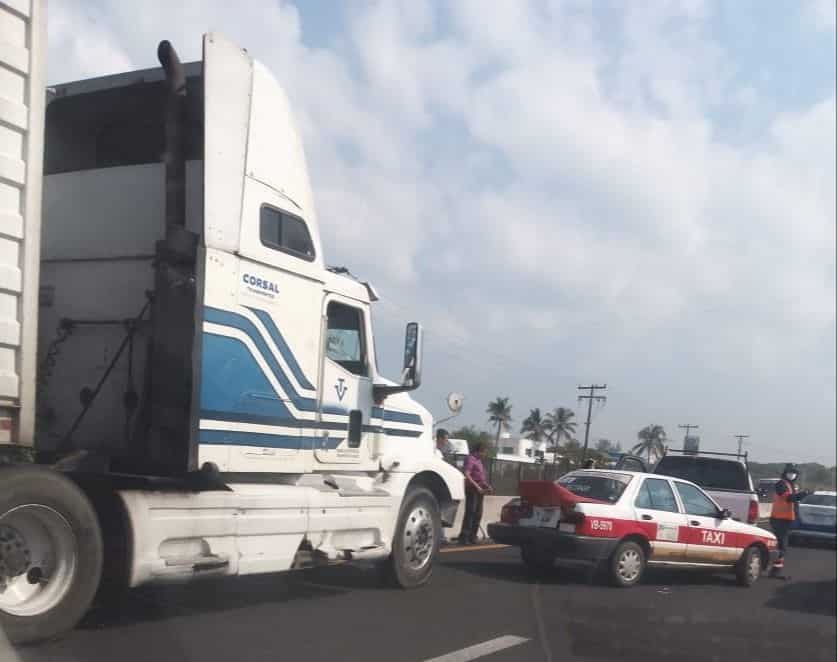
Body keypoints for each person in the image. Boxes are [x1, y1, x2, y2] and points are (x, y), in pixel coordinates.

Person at [769, 463, 809, 578]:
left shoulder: (790, 484)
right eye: (790, 472)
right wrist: (803, 494)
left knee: (782, 546)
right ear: (785, 472)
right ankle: (774, 571)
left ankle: (775, 570)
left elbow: (793, 502)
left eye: (794, 473)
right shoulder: (781, 484)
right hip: (779, 519)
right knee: (781, 546)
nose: (792, 474)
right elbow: (788, 498)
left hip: (785, 519)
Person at [457, 441, 493, 545]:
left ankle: (473, 536)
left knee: (478, 513)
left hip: (480, 489)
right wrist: (476, 486)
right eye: (484, 452)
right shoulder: (470, 459)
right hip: (472, 489)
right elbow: (467, 474)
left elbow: (481, 477)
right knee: (470, 512)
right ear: (479, 451)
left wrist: (486, 485)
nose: (484, 454)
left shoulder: (479, 461)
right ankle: (464, 537)